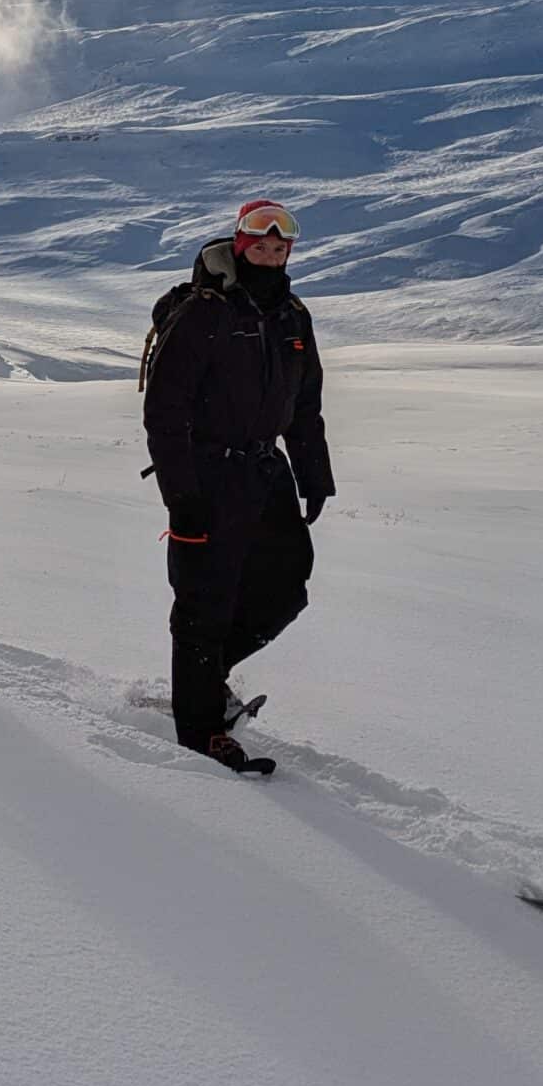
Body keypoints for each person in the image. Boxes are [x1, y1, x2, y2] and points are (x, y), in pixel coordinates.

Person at [141, 199, 335, 772]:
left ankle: (203, 680)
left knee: (286, 587)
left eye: (280, 248)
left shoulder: (292, 317)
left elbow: (305, 406)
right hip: (207, 474)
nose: (271, 255)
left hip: (265, 473)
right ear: (240, 244)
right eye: (260, 246)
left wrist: (314, 475)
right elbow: (165, 410)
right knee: (203, 603)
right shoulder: (207, 312)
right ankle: (202, 733)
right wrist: (181, 496)